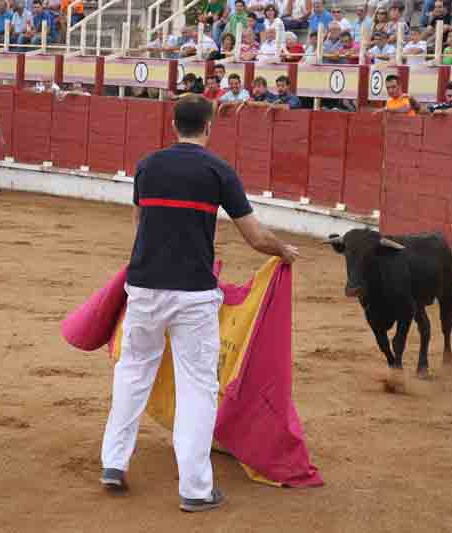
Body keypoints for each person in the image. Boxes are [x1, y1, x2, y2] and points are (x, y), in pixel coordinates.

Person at [99, 94, 299, 513]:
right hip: (191, 295)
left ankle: (113, 464)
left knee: (133, 373)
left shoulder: (147, 166)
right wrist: (283, 251)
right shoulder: (217, 170)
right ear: (208, 127)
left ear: (174, 125)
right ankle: (194, 488)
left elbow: (140, 223)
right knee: (198, 388)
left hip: (145, 288)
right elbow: (255, 236)